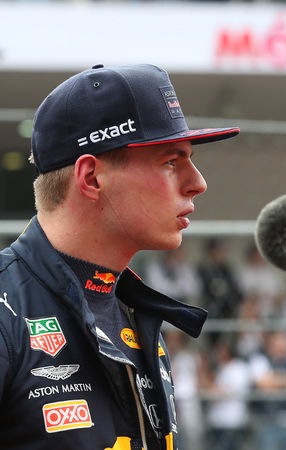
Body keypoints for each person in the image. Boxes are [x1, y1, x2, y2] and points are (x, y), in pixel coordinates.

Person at [0, 63, 239, 449]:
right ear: (92, 178)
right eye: (170, 162)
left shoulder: (131, 307)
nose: (197, 183)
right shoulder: (7, 308)